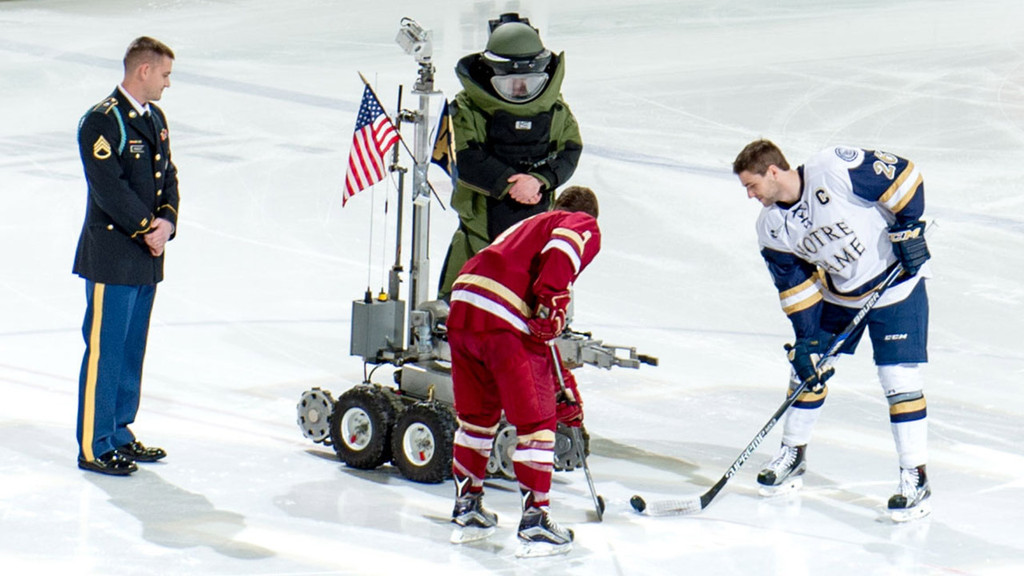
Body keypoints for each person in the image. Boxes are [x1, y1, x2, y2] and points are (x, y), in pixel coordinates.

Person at [732, 139, 933, 521]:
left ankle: (915, 478)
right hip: (840, 295)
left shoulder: (833, 169)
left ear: (772, 172)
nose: (750, 195)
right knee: (806, 370)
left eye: (751, 185)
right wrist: (806, 338)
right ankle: (793, 454)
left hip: (897, 287)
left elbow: (903, 176)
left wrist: (909, 226)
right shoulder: (772, 226)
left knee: (898, 380)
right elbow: (795, 286)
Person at [446, 186, 600, 557]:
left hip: (463, 307)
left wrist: (565, 390)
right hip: (504, 316)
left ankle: (467, 506)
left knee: (477, 419)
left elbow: (540, 348)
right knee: (536, 424)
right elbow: (564, 249)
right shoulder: (578, 222)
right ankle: (535, 519)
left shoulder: (523, 228)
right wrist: (552, 302)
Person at [73, 36, 180, 476]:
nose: (167, 84)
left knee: (131, 349)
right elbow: (109, 187)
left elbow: (167, 175)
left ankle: (118, 432)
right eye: (165, 74)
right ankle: (94, 445)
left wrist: (167, 222)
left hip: (145, 257)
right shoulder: (102, 121)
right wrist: (146, 228)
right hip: (115, 255)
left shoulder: (154, 118)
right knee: (106, 351)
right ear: (143, 71)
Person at [436, 13, 583, 301]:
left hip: (536, 227)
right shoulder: (467, 110)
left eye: (529, 82)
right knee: (463, 295)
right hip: (479, 230)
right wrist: (511, 184)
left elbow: (569, 151)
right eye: (511, 83)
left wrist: (540, 181)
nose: (520, 90)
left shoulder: (556, 111)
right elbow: (464, 157)